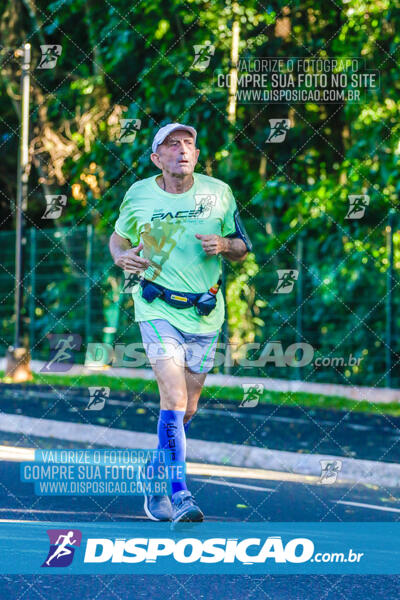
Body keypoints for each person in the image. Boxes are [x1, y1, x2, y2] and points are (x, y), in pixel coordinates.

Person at [109, 122, 252, 523]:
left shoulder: (218, 192)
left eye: (188, 143)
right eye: (172, 145)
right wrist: (121, 257)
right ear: (157, 158)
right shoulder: (139, 194)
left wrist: (225, 245)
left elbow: (243, 246)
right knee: (171, 399)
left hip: (205, 310)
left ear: (196, 154)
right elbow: (118, 239)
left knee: (186, 411)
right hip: (156, 307)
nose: (182, 150)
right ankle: (180, 495)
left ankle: (154, 475)